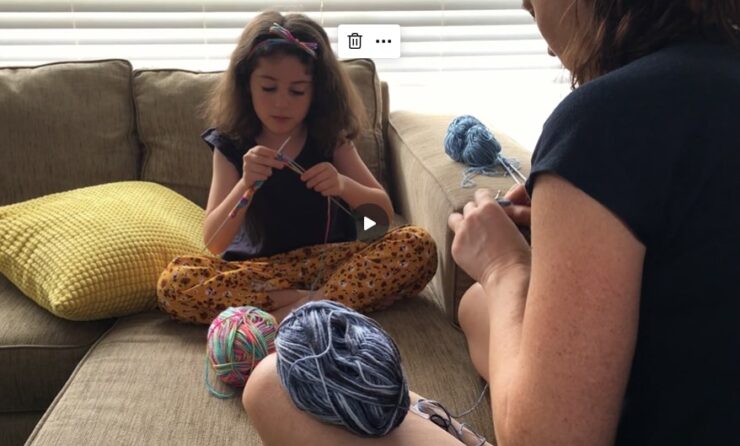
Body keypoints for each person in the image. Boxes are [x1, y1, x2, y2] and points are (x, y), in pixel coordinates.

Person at [241, 1, 740, 445]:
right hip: (270, 268)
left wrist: (506, 266)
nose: (527, 6)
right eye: (268, 88)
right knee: (477, 302)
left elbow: (379, 216)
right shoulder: (233, 145)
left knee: (271, 384)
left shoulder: (608, 120)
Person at [156, 11, 437, 325]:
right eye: (268, 88)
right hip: (263, 272)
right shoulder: (231, 145)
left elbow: (379, 223)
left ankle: (304, 306)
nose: (281, 103)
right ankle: (319, 304)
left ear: (317, 92)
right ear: (246, 84)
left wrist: (345, 186)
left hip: (333, 262)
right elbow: (214, 242)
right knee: (175, 282)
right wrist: (245, 185)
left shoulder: (330, 138)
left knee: (418, 245)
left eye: (297, 91)